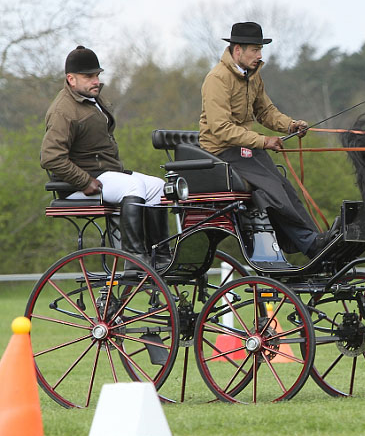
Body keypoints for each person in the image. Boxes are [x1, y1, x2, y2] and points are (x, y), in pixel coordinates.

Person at [199, 21, 335, 258]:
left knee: (284, 185)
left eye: (261, 49)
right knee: (272, 188)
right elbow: (220, 128)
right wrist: (263, 141)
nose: (260, 55)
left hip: (245, 149)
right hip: (221, 152)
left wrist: (290, 124)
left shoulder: (252, 76)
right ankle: (310, 243)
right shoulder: (217, 79)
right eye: (255, 50)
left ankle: (314, 240)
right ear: (238, 49)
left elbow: (266, 112)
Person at [40, 46, 169, 269]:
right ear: (71, 79)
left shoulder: (93, 100)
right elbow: (50, 158)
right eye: (88, 76)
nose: (96, 80)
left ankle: (160, 257)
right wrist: (84, 181)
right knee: (133, 188)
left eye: (97, 75)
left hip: (106, 174)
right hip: (78, 185)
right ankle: (134, 258)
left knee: (158, 186)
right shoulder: (63, 110)